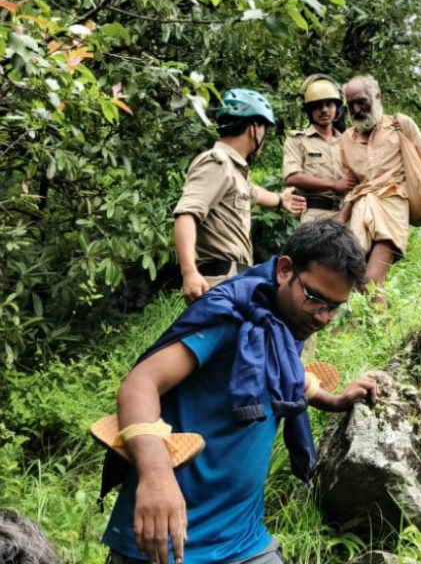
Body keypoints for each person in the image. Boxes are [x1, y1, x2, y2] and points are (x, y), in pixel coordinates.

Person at [100, 221, 379, 564]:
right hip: (168, 538)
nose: (323, 316)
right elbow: (140, 383)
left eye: (334, 306)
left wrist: (334, 400)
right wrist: (156, 478)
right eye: (315, 298)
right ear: (284, 269)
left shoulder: (287, 319)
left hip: (244, 540)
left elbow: (280, 376)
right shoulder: (232, 316)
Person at [174, 89, 306, 303]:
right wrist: (189, 273)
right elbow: (186, 215)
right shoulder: (216, 163)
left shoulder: (234, 171)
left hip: (235, 279)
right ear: (254, 128)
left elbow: (252, 193)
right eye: (264, 127)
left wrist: (281, 200)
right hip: (218, 282)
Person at [339, 75, 421, 287]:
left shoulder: (401, 124)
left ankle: (373, 319)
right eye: (351, 104)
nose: (357, 109)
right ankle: (373, 321)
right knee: (354, 280)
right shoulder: (346, 139)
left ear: (376, 97)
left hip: (393, 207)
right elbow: (350, 186)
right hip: (361, 211)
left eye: (362, 101)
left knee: (372, 279)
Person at [283, 74, 353, 227]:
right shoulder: (298, 139)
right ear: (309, 110)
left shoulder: (348, 141)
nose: (324, 110)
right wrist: (334, 185)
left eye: (329, 104)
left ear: (337, 108)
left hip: (348, 214)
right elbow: (292, 177)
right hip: (315, 216)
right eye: (317, 106)